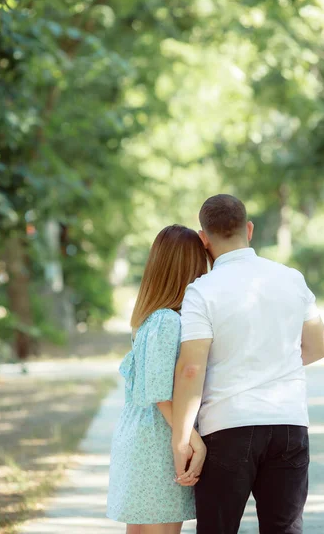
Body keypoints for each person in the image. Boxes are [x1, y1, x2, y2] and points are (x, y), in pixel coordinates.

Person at [172, 194, 324, 534]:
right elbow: (319, 347)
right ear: (249, 229)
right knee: (284, 528)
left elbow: (190, 369)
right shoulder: (292, 278)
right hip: (288, 423)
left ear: (203, 238)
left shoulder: (202, 291)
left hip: (228, 427)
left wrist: (181, 436)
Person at [106, 225, 208, 534]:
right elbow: (160, 392)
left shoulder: (152, 317)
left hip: (143, 435)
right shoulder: (167, 321)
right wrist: (193, 441)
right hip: (158, 439)